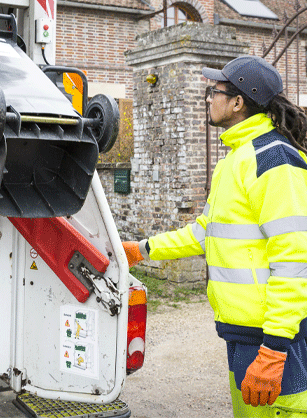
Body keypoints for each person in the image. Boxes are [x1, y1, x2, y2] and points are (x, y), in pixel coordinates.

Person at [123, 55, 307, 417]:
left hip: (271, 339)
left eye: (214, 91)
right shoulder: (235, 160)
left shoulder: (274, 161)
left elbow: (295, 258)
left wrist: (274, 349)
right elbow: (206, 232)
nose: (208, 98)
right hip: (243, 333)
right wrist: (142, 250)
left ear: (238, 103)